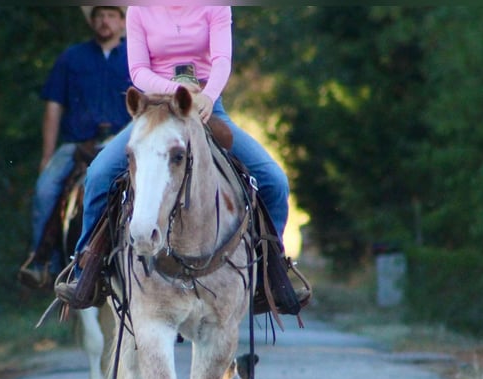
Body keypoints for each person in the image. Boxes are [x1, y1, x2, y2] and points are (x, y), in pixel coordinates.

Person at [55, 6, 309, 312]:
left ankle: (270, 272)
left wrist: (207, 95)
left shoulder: (216, 7)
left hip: (205, 105)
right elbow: (137, 71)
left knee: (273, 180)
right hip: (155, 108)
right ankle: (88, 270)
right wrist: (174, 90)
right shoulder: (138, 10)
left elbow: (221, 60)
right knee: (99, 174)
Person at [18, 6, 132, 289]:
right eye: (99, 15)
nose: (105, 21)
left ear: (122, 21)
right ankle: (43, 261)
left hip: (124, 144)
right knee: (45, 190)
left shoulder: (137, 57)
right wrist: (47, 154)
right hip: (78, 144)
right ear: (92, 21)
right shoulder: (71, 57)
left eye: (111, 15)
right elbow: (53, 106)